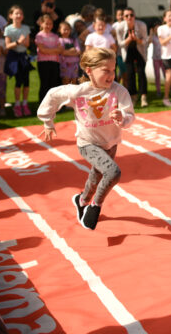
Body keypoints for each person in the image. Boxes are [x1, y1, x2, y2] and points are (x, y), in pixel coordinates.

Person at [37, 47, 135, 230]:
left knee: (96, 176)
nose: (111, 75)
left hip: (110, 143)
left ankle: (81, 200)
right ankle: (94, 206)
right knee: (113, 173)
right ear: (89, 70)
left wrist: (123, 118)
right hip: (87, 143)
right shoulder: (79, 91)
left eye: (113, 70)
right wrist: (47, 121)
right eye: (105, 71)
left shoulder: (119, 91)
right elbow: (52, 95)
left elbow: (130, 115)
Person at [115, 7, 149, 107]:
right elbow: (120, 44)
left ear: (134, 16)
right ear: (123, 17)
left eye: (131, 15)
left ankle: (143, 97)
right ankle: (133, 96)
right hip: (127, 50)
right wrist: (129, 39)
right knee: (130, 74)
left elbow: (145, 41)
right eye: (126, 16)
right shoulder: (120, 27)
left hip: (140, 50)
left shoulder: (141, 25)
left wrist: (137, 39)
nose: (129, 17)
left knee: (141, 72)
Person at [4, 4, 33, 118]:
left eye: (21, 13)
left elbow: (27, 44)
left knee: (26, 82)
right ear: (11, 15)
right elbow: (7, 46)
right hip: (13, 57)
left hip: (24, 56)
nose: (19, 15)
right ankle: (17, 105)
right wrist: (17, 42)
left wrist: (23, 42)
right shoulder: (8, 28)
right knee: (18, 81)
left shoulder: (26, 28)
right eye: (16, 13)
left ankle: (24, 104)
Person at [35, 14, 62, 105]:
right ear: (41, 24)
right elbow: (42, 50)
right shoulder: (39, 36)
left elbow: (60, 49)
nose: (48, 26)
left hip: (54, 62)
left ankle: (53, 104)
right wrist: (54, 50)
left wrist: (48, 50)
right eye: (46, 23)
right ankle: (43, 104)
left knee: (54, 84)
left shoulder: (55, 36)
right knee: (45, 84)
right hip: (43, 63)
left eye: (50, 24)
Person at [58, 21, 81, 86]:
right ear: (59, 30)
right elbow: (62, 52)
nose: (66, 31)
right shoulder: (59, 40)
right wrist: (72, 51)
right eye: (64, 29)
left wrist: (67, 52)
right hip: (65, 64)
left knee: (74, 81)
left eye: (68, 29)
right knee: (66, 81)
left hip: (74, 65)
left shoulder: (74, 40)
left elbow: (78, 51)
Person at [149, 21, 164, 96]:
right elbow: (149, 41)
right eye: (156, 28)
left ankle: (170, 87)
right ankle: (158, 90)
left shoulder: (163, 36)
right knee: (157, 75)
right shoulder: (153, 37)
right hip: (155, 58)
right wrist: (151, 33)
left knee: (166, 73)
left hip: (163, 57)